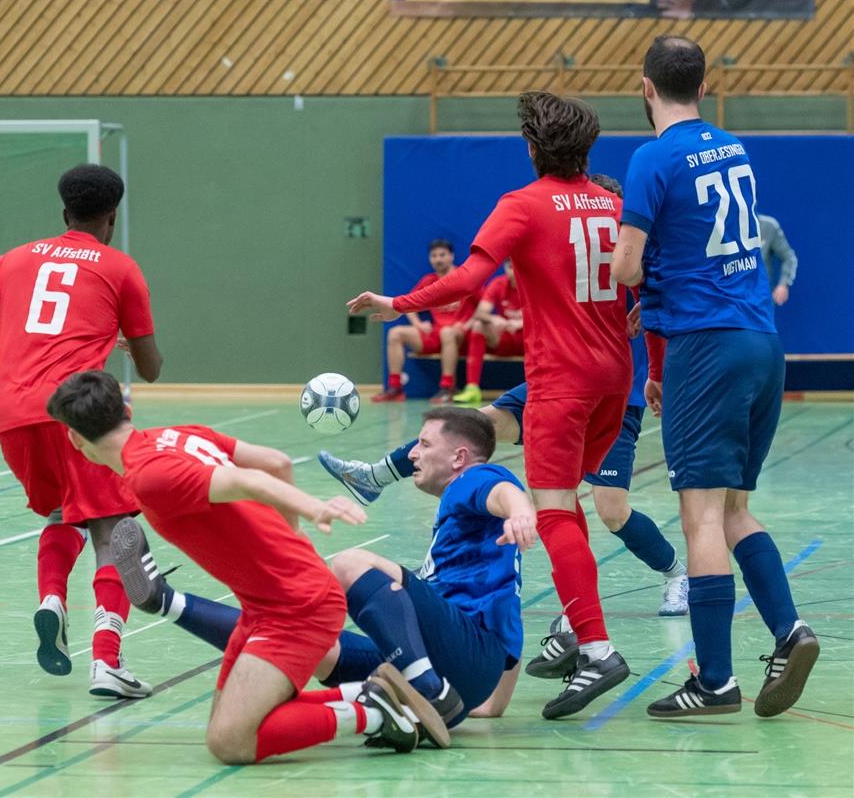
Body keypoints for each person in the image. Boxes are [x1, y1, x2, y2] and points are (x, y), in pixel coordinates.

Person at [347, 93, 633, 720]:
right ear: (589, 147)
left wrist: (396, 303)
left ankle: (596, 646)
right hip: (617, 375)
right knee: (570, 505)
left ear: (532, 149)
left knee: (552, 511)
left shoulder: (523, 204)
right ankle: (580, 628)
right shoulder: (615, 203)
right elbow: (646, 283)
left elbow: (468, 280)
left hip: (562, 379)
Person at [319, 175, 688, 652]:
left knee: (609, 510)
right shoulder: (564, 239)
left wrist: (651, 345)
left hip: (609, 392)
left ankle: (674, 572)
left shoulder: (625, 243)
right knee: (476, 426)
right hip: (553, 380)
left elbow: (653, 290)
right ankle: (376, 475)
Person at [46, 369, 451, 763]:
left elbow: (254, 482)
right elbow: (275, 462)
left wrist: (314, 509)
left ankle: (374, 714)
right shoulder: (181, 434)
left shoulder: (150, 476)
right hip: (268, 605)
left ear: (75, 438)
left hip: (297, 608)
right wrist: (296, 545)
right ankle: (365, 694)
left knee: (231, 742)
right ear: (127, 411)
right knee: (228, 722)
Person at [609, 35, 818, 718]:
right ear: (702, 84)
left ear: (646, 88)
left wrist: (637, 291)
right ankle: (789, 631)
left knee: (698, 515)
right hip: (761, 340)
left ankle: (716, 680)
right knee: (732, 509)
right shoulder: (732, 149)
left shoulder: (651, 157)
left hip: (709, 349)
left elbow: (628, 267)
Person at [109, 407, 532, 737]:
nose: (413, 454)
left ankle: (423, 686)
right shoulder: (464, 512)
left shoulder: (474, 477)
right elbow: (505, 621)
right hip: (466, 673)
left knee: (351, 563)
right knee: (312, 642)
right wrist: (491, 700)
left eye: (422, 444)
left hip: (459, 657)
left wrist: (521, 512)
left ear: (459, 456)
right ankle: (166, 600)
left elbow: (504, 491)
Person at [0, 164, 164, 699]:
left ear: (64, 213)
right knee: (116, 530)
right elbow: (152, 368)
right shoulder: (120, 267)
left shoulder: (15, 258)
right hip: (81, 412)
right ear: (112, 216)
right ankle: (107, 661)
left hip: (13, 414)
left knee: (66, 512)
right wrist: (130, 342)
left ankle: (51, 601)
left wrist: (1, 383)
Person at [373, 239, 482, 404]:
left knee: (447, 333)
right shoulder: (429, 280)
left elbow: (485, 304)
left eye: (442, 255)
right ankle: (395, 388)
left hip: (460, 335)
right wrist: (418, 324)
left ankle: (448, 387)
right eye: (434, 256)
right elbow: (409, 303)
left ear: (451, 256)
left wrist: (468, 324)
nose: (438, 259)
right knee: (396, 333)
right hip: (436, 333)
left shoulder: (464, 277)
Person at [452, 260, 524, 405]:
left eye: (517, 266)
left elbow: (548, 315)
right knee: (479, 325)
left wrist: (521, 323)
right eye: (510, 267)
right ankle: (472, 388)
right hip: (505, 338)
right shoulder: (498, 284)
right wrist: (494, 318)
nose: (513, 271)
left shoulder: (535, 284)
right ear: (504, 268)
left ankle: (543, 387)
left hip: (529, 340)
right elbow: (480, 312)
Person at [757, 214, 798, 306]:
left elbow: (789, 258)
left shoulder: (768, 226)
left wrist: (783, 284)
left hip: (761, 301)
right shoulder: (722, 228)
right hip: (728, 302)